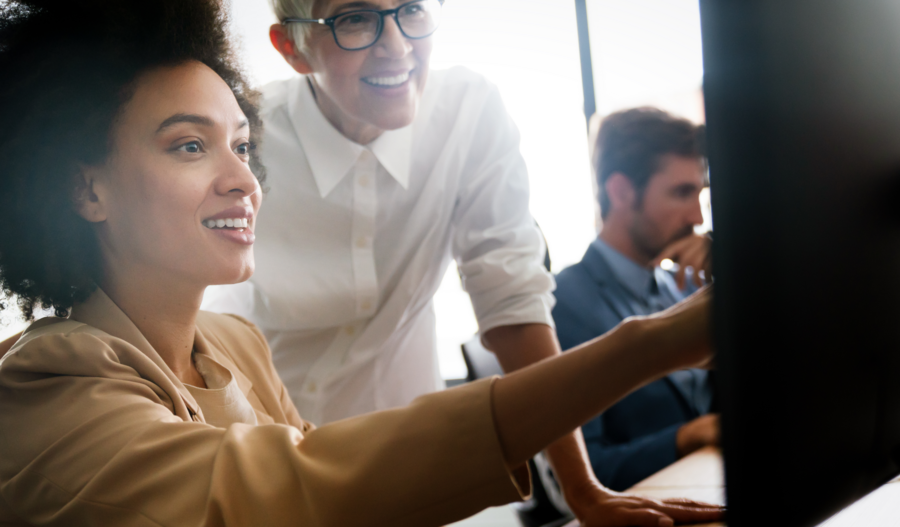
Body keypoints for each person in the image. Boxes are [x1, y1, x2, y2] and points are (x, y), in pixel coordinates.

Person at [0, 1, 726, 526]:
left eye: (242, 147)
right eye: (190, 145)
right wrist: (651, 343)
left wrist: (584, 489)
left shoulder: (231, 346)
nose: (246, 180)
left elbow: (506, 292)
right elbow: (300, 487)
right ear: (84, 187)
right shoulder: (46, 386)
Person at [201, 1, 713, 522]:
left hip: (412, 468)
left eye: (411, 10)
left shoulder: (467, 114)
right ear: (293, 47)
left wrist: (583, 490)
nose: (397, 45)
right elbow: (204, 319)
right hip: (276, 474)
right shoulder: (244, 141)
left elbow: (512, 302)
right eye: (355, 18)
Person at [551, 108, 719, 492]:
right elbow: (585, 472)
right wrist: (688, 435)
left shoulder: (682, 287)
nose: (697, 215)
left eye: (700, 194)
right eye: (681, 193)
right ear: (622, 192)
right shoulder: (565, 303)